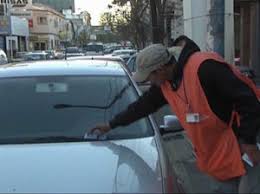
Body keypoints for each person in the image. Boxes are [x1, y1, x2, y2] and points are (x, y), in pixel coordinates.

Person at [89, 36, 260, 193]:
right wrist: (111, 124)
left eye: (150, 77)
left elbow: (249, 101)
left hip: (248, 147)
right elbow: (142, 107)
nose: (150, 82)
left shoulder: (205, 68)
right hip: (221, 157)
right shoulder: (166, 84)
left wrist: (249, 141)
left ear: (161, 69)